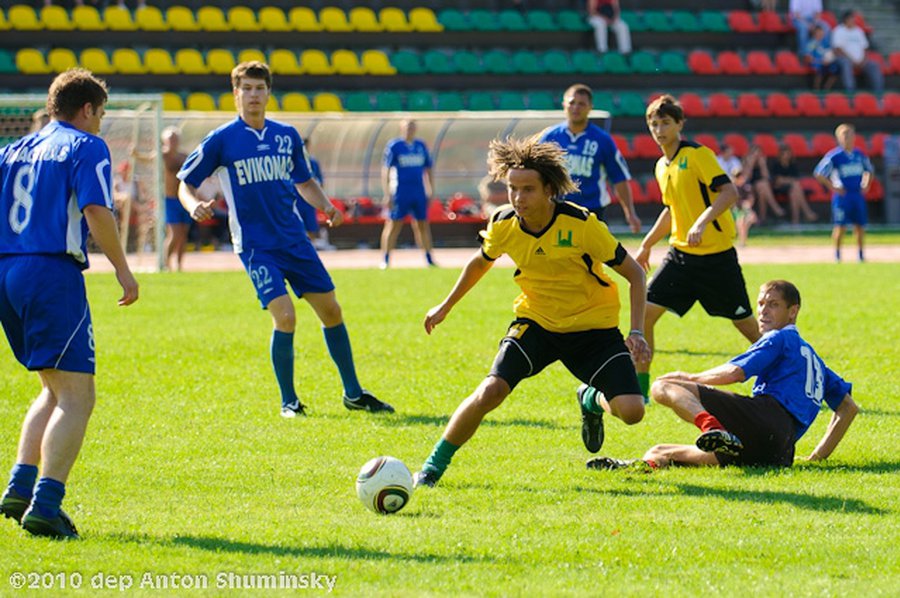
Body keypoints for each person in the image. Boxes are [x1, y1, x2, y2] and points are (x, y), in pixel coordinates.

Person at [413, 135, 651, 488]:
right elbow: (480, 263)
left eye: (528, 190)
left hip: (592, 328)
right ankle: (431, 469)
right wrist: (445, 305)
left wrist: (636, 331)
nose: (518, 198)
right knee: (490, 392)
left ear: (549, 190)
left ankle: (590, 399)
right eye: (512, 188)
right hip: (536, 323)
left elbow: (635, 273)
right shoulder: (503, 223)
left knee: (633, 412)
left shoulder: (582, 225)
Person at [177, 61, 392, 417]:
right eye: (246, 89)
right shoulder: (222, 140)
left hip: (293, 239)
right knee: (286, 316)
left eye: (259, 88)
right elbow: (186, 182)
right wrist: (193, 205)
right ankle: (289, 402)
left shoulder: (286, 136)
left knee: (332, 311)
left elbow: (303, 181)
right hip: (256, 246)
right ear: (236, 94)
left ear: (268, 93)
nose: (253, 96)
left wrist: (326, 206)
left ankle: (353, 393)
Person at [0, 68, 139, 539]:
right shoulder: (84, 145)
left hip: (8, 272)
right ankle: (46, 505)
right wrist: (122, 268)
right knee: (78, 396)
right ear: (87, 110)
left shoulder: (14, 149)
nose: (101, 124)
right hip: (49, 273)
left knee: (52, 388)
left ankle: (19, 488)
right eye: (100, 114)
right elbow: (96, 210)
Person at [588, 280, 858, 470]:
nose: (763, 310)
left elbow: (736, 372)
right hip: (778, 452)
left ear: (793, 312)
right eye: (761, 303)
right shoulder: (816, 362)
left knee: (662, 386)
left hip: (765, 420)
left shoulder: (781, 338)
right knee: (662, 452)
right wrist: (816, 458)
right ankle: (642, 467)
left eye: (773, 305)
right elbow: (848, 408)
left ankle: (710, 426)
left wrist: (691, 377)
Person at [634, 94, 760, 402]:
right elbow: (671, 210)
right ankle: (640, 389)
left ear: (680, 124)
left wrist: (702, 222)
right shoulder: (662, 166)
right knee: (644, 315)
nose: (659, 129)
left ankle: (787, 372)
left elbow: (729, 192)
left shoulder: (698, 154)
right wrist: (647, 245)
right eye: (654, 124)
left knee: (747, 327)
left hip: (717, 260)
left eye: (665, 123)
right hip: (680, 258)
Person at [539, 84, 641, 232]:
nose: (576, 107)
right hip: (558, 209)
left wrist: (630, 213)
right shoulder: (550, 137)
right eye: (572, 103)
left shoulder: (602, 140)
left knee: (594, 254)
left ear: (590, 107)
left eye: (581, 104)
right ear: (563, 105)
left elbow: (619, 178)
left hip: (593, 210)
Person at [379, 119, 437, 269]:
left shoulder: (420, 146)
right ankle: (385, 259)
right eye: (407, 127)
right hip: (400, 191)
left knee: (422, 225)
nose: (409, 130)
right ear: (401, 128)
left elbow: (428, 169)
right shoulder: (395, 146)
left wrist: (430, 189)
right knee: (394, 224)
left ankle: (429, 258)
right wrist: (387, 193)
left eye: (412, 127)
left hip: (418, 191)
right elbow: (386, 170)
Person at [814, 123, 873, 262]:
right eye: (844, 135)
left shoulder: (859, 154)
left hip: (857, 194)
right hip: (842, 196)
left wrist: (866, 184)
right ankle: (837, 255)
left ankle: (860, 254)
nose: (848, 138)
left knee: (860, 225)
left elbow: (869, 170)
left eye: (850, 134)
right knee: (840, 226)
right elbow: (819, 173)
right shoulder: (835, 156)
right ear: (839, 138)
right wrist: (833, 187)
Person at [295, 136, 335, 251]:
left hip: (309, 201)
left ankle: (311, 249)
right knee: (297, 226)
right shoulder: (293, 161)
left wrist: (322, 199)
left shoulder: (313, 162)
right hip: (296, 200)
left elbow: (319, 181)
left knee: (311, 226)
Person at [831, 9, 884, 94]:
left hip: (860, 60)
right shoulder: (839, 30)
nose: (853, 21)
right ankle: (850, 94)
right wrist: (852, 60)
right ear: (846, 19)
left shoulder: (858, 31)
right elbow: (838, 49)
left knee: (873, 65)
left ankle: (879, 95)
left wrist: (863, 60)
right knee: (846, 63)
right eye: (851, 19)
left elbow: (865, 48)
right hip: (845, 58)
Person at [161, 126, 190, 271]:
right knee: (174, 232)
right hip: (170, 199)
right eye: (170, 138)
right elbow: (147, 159)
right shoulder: (162, 156)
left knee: (183, 234)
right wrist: (136, 154)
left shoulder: (184, 156)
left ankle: (179, 265)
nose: (173, 141)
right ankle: (166, 263)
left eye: (175, 138)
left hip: (184, 200)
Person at [717, 143, 757, 247]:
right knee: (740, 220)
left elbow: (750, 198)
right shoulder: (718, 161)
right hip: (727, 197)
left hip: (740, 208)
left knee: (748, 218)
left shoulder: (744, 186)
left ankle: (742, 241)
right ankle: (741, 241)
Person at [770, 145, 818, 225]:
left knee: (794, 193)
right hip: (779, 189)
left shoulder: (792, 165)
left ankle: (795, 220)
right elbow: (778, 181)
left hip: (791, 188)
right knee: (796, 186)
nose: (787, 156)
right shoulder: (776, 165)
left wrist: (785, 180)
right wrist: (788, 180)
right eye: (784, 154)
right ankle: (807, 212)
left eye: (788, 153)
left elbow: (795, 179)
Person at [743, 144, 785, 224]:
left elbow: (766, 177)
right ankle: (775, 208)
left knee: (762, 188)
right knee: (762, 185)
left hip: (761, 187)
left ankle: (762, 219)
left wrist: (763, 165)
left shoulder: (762, 162)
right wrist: (750, 164)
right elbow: (746, 179)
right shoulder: (746, 161)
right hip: (748, 187)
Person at [805, 24, 839, 90]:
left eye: (822, 32)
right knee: (820, 68)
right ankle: (816, 89)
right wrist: (820, 61)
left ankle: (826, 88)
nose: (821, 34)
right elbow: (808, 58)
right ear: (815, 33)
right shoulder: (812, 43)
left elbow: (831, 53)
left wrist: (830, 60)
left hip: (826, 62)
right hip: (816, 62)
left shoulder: (826, 43)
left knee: (836, 68)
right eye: (818, 32)